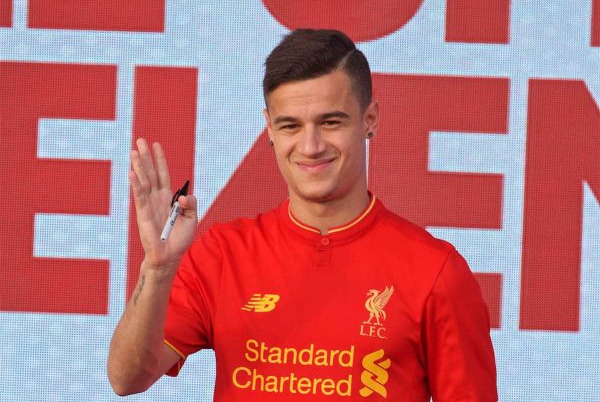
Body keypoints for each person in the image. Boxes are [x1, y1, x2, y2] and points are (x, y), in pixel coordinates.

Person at [108, 29, 497, 401]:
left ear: (370, 119)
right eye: (290, 125)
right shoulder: (223, 255)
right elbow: (127, 378)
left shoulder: (435, 271)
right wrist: (157, 270)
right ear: (270, 129)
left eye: (331, 122)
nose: (310, 146)